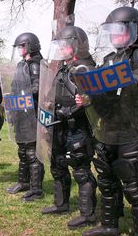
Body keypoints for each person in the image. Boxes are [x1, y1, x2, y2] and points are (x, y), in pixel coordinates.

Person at [82, 7, 138, 236]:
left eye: (119, 30)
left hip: (132, 129)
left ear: (134, 29)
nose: (115, 35)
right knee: (106, 180)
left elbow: (135, 82)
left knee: (135, 186)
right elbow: (98, 90)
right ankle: (109, 226)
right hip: (108, 128)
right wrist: (87, 95)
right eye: (112, 31)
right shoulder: (109, 59)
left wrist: (102, 85)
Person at [40, 26, 97, 229]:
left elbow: (91, 101)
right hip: (60, 125)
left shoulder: (85, 68)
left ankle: (88, 215)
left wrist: (70, 111)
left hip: (78, 127)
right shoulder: (64, 68)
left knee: (81, 170)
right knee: (57, 164)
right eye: (61, 46)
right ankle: (60, 204)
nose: (62, 49)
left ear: (76, 45)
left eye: (65, 45)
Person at [5, 32, 45, 201]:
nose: (20, 49)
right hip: (21, 113)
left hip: (32, 114)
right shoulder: (22, 65)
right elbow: (15, 87)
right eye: (18, 47)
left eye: (22, 46)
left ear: (30, 46)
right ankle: (24, 182)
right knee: (22, 151)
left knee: (32, 153)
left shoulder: (35, 65)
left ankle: (36, 189)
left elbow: (38, 87)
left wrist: (23, 96)